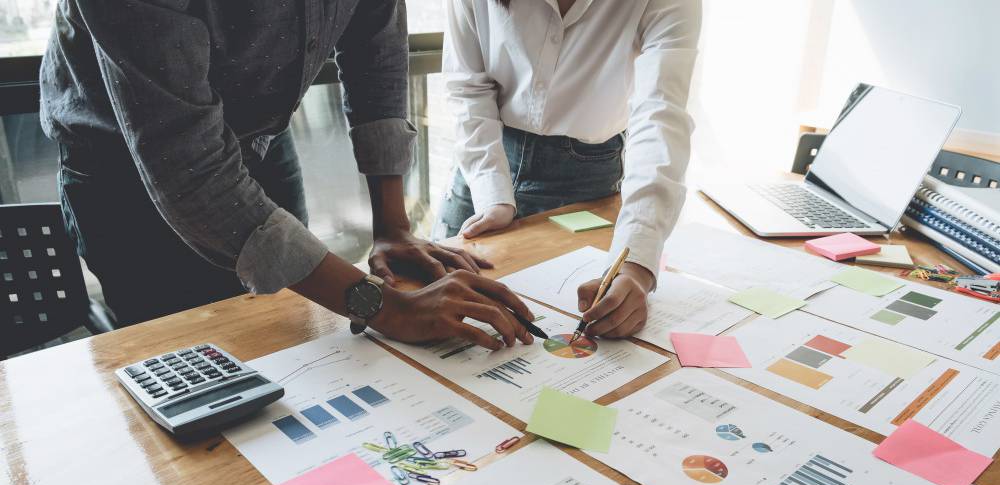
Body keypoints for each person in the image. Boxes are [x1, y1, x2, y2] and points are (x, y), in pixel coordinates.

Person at [39, 0, 533, 350]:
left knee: (295, 341)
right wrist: (386, 308)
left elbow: (375, 57)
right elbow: (190, 168)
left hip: (260, 137)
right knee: (195, 379)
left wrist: (392, 226)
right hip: (128, 174)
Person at [439, 0, 701, 338]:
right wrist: (493, 193)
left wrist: (636, 264)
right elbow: (468, 88)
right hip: (481, 165)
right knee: (446, 324)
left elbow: (659, 114)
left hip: (587, 179)